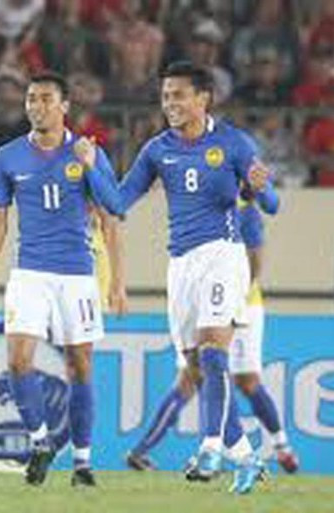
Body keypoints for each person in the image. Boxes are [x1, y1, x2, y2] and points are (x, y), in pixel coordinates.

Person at [82, 61, 279, 495]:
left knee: (213, 352)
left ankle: (209, 449)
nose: (170, 103)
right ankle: (247, 458)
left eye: (178, 95)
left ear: (203, 98)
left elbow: (272, 205)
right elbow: (118, 202)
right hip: (181, 264)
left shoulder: (233, 142)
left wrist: (261, 188)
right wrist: (93, 166)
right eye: (166, 95)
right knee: (197, 368)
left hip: (223, 255)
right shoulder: (157, 150)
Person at [0, 72, 121, 487]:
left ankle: (82, 464)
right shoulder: (8, 157)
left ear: (64, 107)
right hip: (29, 272)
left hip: (77, 274)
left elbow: (112, 211)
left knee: (80, 365)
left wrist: (117, 281)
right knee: (17, 360)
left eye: (45, 99)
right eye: (31, 99)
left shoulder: (87, 151)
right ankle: (41, 442)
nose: (36, 107)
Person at [126, 195, 298, 475]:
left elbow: (256, 260)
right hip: (205, 300)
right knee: (196, 376)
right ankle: (159, 451)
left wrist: (235, 293)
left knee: (245, 381)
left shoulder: (244, 210)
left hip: (242, 304)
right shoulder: (199, 203)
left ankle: (279, 446)